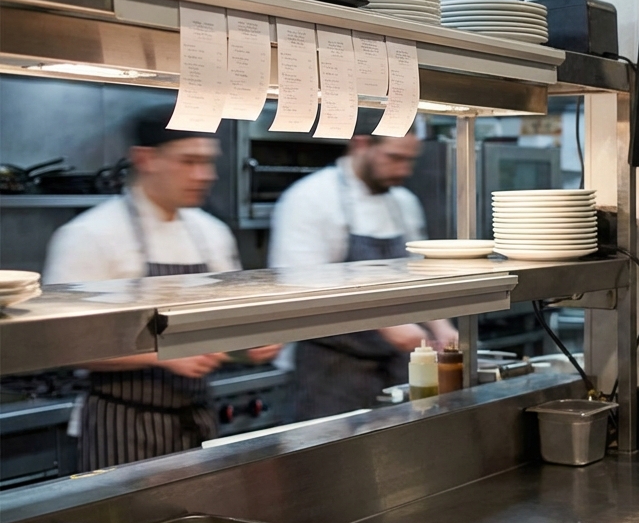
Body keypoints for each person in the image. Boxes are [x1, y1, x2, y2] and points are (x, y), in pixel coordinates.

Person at [44, 104, 279, 470]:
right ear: (145, 159)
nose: (205, 175)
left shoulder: (211, 233)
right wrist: (163, 354)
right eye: (189, 161)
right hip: (122, 426)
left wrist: (249, 344)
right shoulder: (89, 235)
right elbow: (60, 344)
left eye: (208, 162)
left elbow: (229, 322)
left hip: (198, 420)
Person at [269, 109, 459, 420]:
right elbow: (301, 289)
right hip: (330, 373)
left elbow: (419, 276)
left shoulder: (404, 203)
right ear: (361, 144)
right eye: (394, 158)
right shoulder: (310, 199)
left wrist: (441, 326)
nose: (403, 170)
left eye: (410, 160)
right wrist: (389, 323)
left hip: (396, 365)